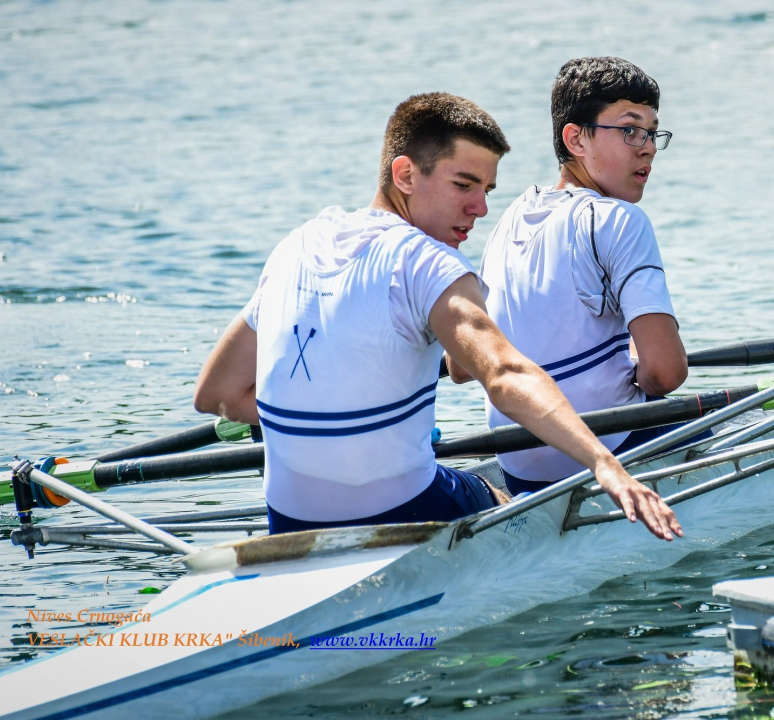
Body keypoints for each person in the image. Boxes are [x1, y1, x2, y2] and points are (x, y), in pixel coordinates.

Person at [193, 92, 682, 541]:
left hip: (291, 522)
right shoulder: (430, 263)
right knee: (493, 501)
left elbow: (217, 395)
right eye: (464, 185)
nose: (481, 208)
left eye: (488, 189)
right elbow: (502, 373)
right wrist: (605, 466)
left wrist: (330, 423)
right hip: (404, 507)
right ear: (405, 174)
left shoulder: (294, 247)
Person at [454, 57, 693, 495]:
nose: (648, 147)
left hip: (521, 465)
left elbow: (460, 367)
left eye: (652, 131)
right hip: (609, 450)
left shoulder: (510, 218)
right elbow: (666, 373)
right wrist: (638, 366)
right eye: (629, 129)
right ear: (576, 138)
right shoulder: (620, 220)